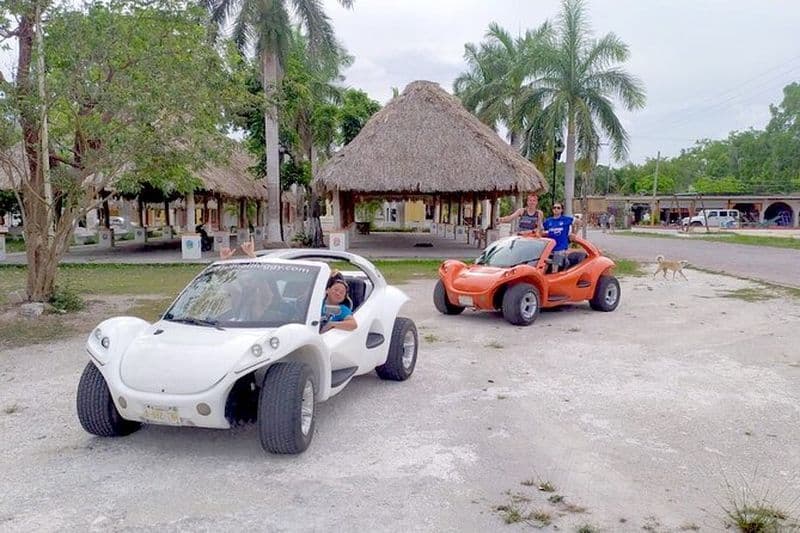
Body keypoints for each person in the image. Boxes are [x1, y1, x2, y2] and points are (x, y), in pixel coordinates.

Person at [543, 202, 576, 273]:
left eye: (558, 208)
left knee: (555, 268)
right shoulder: (548, 221)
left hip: (560, 248)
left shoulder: (566, 219)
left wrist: (573, 233)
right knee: (543, 267)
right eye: (554, 208)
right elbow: (542, 230)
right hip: (549, 248)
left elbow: (578, 222)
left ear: (561, 210)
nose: (556, 209)